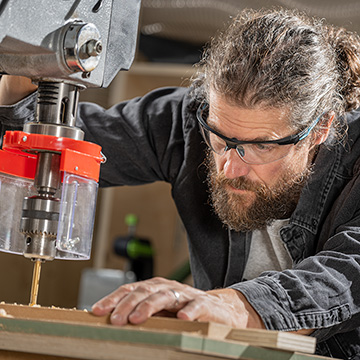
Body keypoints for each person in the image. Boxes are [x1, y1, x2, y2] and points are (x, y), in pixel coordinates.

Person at [1, 7, 360, 359]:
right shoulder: (189, 121)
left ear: (320, 130)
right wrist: (16, 84)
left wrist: (237, 305)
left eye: (262, 146)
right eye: (220, 139)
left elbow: (347, 273)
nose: (230, 167)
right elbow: (66, 146)